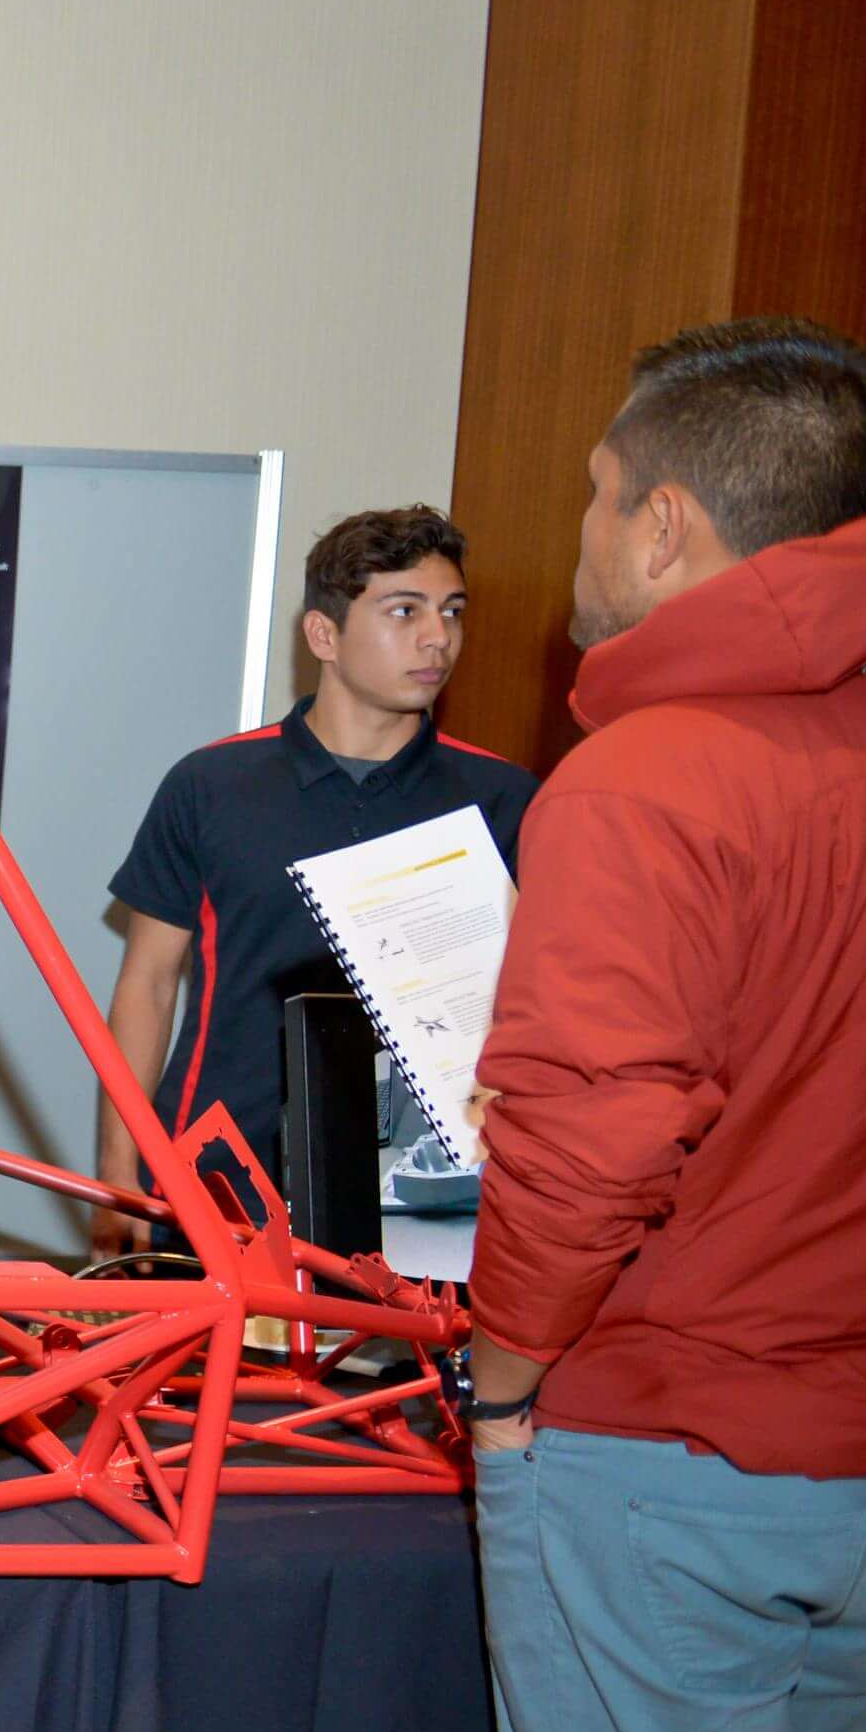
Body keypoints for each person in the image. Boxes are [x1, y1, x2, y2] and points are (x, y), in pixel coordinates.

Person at [461, 318, 866, 1732]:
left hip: (652, 1460)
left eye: (583, 489)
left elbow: (581, 1142)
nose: (563, 530)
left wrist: (495, 1381)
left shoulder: (646, 775)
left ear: (663, 522)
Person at [93, 505, 535, 1256]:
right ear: (323, 634)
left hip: (424, 1196)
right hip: (215, 1175)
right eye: (405, 610)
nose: (438, 637)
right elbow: (148, 985)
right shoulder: (211, 783)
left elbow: (534, 1007)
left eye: (451, 611)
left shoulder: (503, 798)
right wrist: (116, 1173)